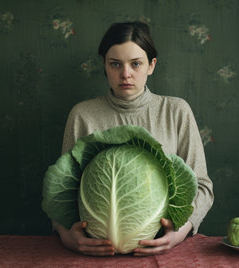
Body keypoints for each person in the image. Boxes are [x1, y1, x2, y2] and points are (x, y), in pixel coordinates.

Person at [52, 21, 214, 256]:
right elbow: (61, 191)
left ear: (151, 65)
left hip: (162, 251)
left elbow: (203, 186)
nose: (125, 74)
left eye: (136, 64)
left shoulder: (176, 112)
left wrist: (180, 233)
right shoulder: (83, 115)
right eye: (115, 64)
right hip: (92, 253)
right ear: (104, 66)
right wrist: (67, 236)